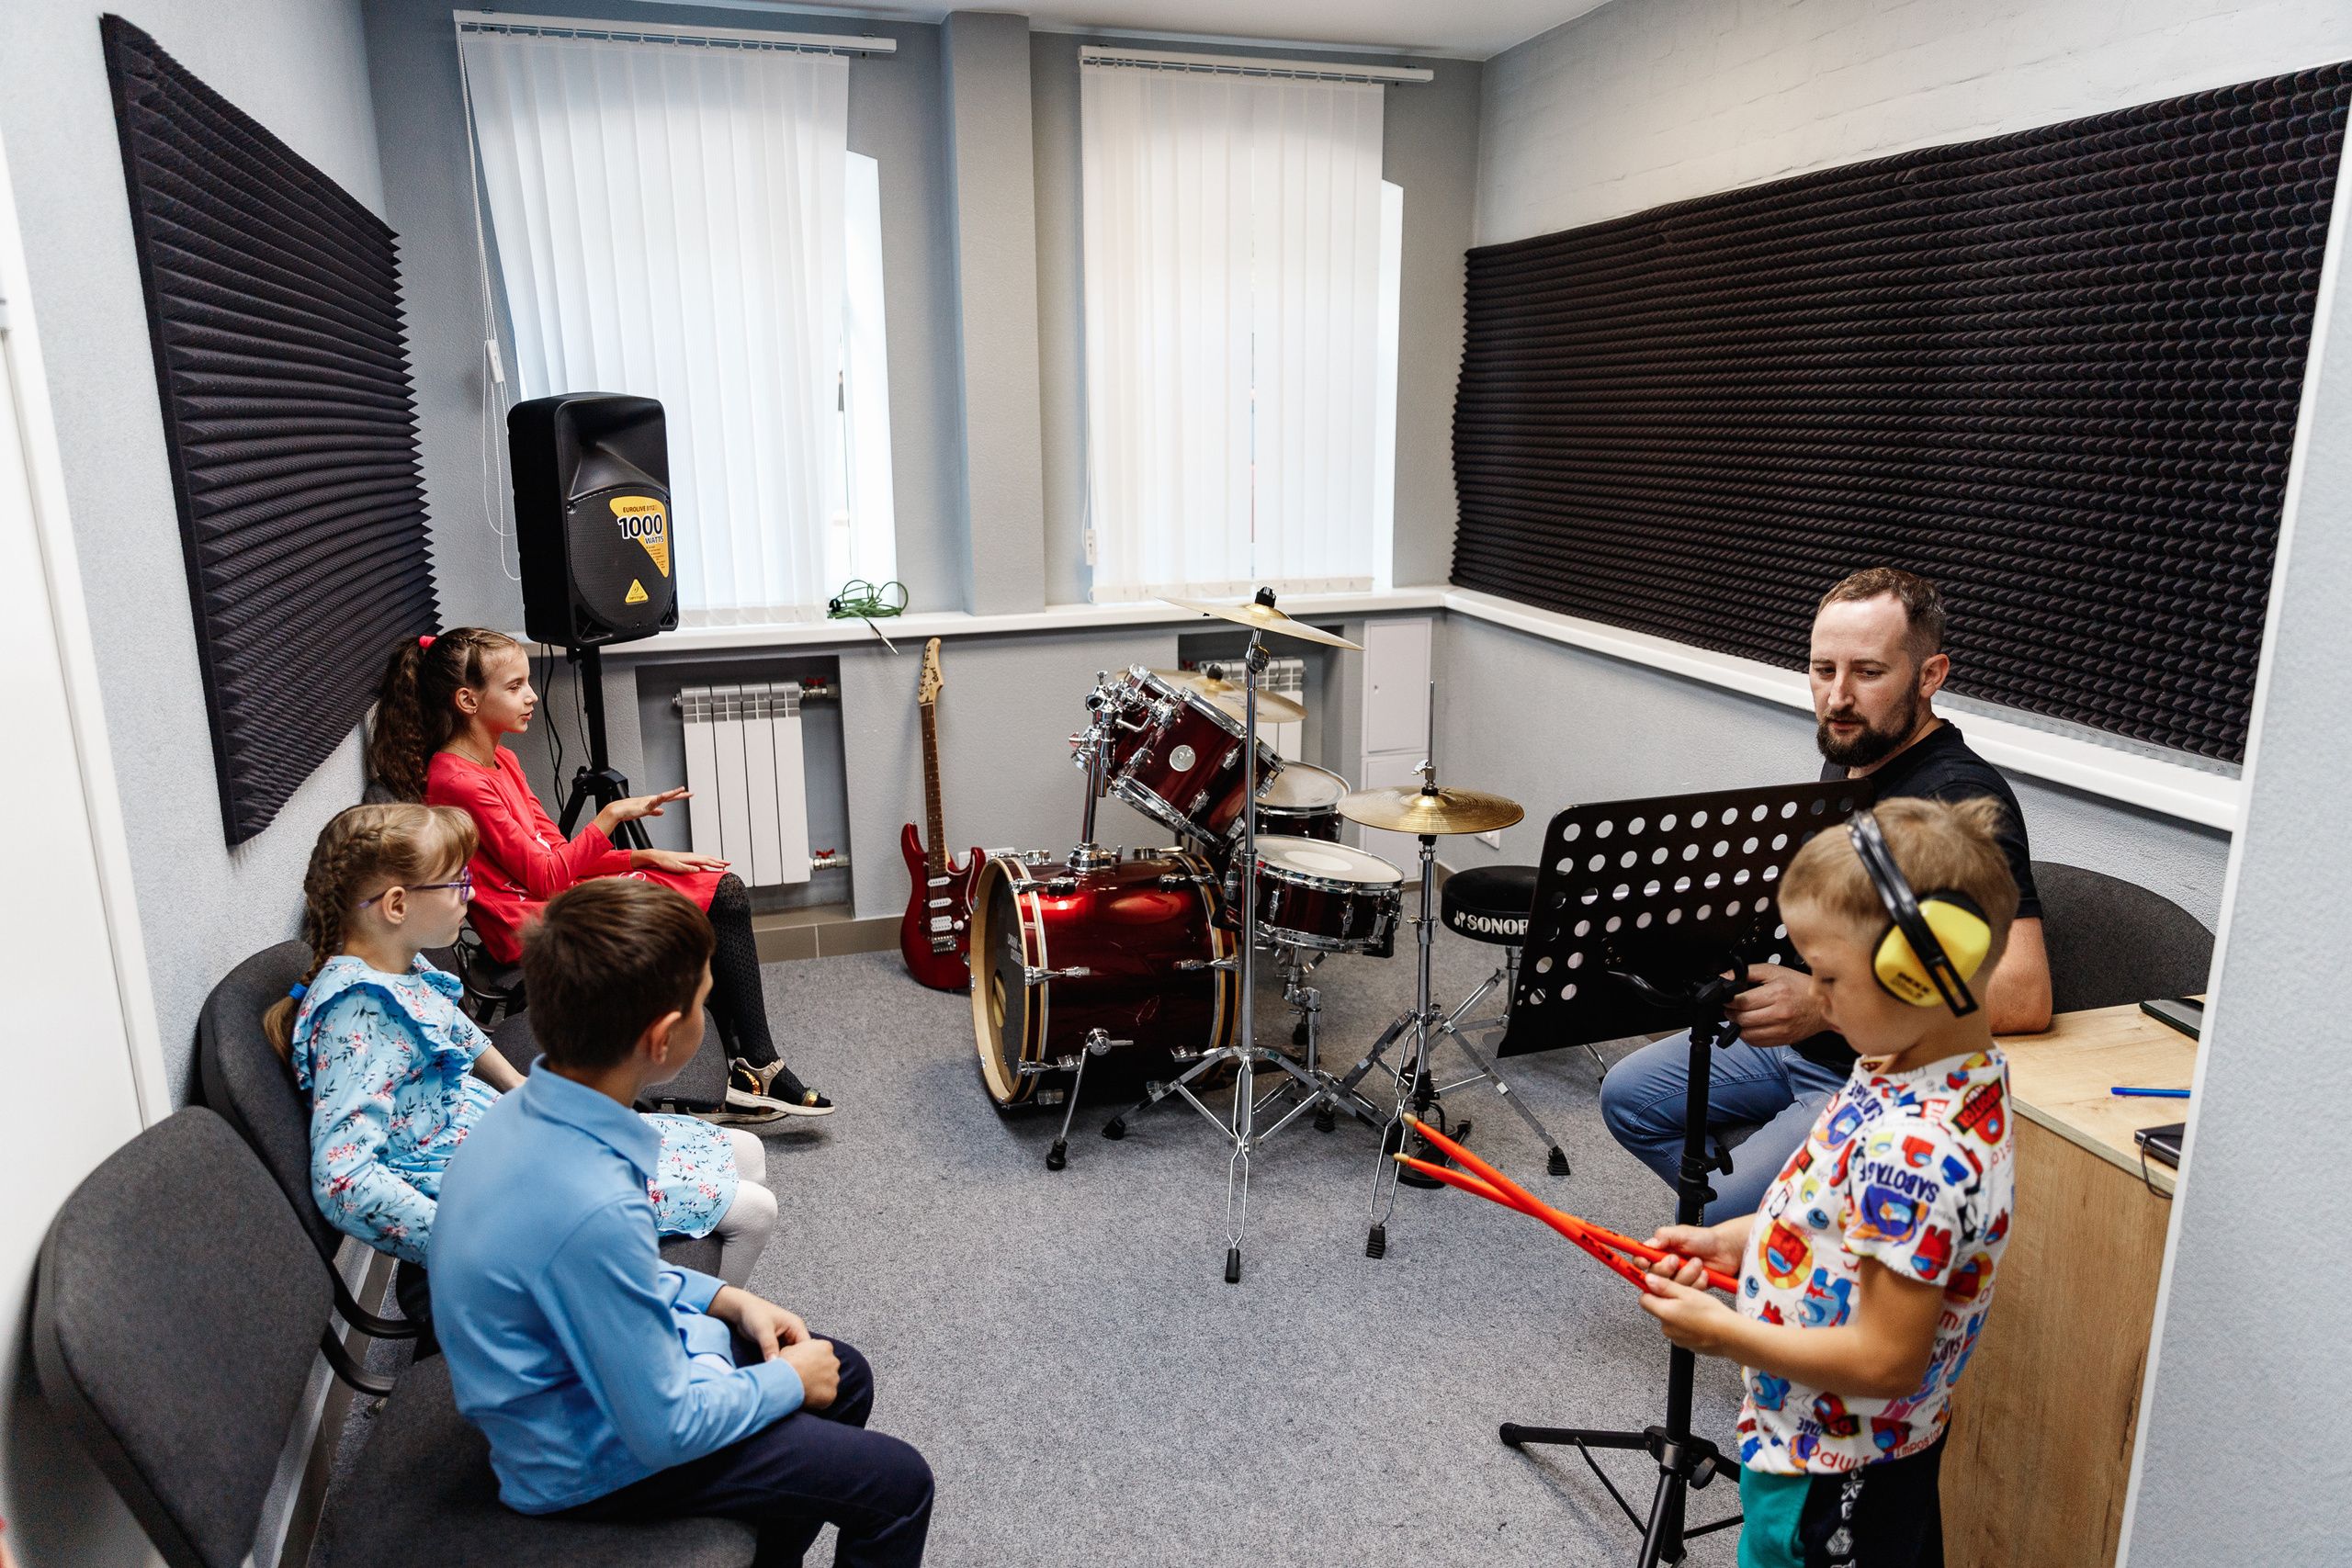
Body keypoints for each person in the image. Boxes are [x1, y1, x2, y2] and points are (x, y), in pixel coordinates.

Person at [433, 879, 933, 1562]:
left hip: (583, 1385)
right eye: (705, 1001)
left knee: (846, 1375)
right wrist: (785, 1382)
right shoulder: (590, 1202)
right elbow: (664, 1426)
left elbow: (604, 1281)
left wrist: (727, 1297)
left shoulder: (526, 1116)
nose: (708, 1015)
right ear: (664, 1039)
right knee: (898, 1483)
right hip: (585, 1458)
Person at [1635, 795, 2017, 1566]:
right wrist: (1732, 1238)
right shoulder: (1911, 1065)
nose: (1814, 995)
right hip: (1843, 1442)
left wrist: (1723, 1332)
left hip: (1835, 1468)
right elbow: (1827, 1206)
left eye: (1828, 976)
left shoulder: (1914, 1150)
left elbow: (1886, 1358)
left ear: (1921, 973)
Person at [1600, 568, 2051, 1221]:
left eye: (1868, 672)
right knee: (1626, 1098)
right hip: (1805, 1045)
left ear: (1930, 676)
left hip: (1872, 1067)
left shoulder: (1958, 801)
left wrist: (1820, 1003)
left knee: (1717, 1209)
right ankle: (1807, 1224)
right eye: (1821, 669)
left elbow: (2025, 990)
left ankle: (1787, 1222)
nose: (1837, 696)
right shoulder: (1852, 753)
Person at [262, 804, 777, 1341]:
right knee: (754, 1211)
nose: (471, 894)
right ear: (397, 905)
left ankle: (687, 1323)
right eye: (457, 882)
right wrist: (467, 1242)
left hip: (494, 1135)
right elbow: (344, 1183)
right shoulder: (356, 1014)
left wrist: (525, 1091)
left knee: (748, 1153)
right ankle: (692, 1346)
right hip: (485, 1200)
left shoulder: (396, 962)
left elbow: (460, 1036)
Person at [368, 627, 832, 1120]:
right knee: (711, 902)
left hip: (553, 893)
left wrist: (642, 858)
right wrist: (610, 819)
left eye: (528, 682)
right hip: (523, 922)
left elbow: (558, 851)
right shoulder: (457, 779)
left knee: (718, 891)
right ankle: (757, 1064)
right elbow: (546, 876)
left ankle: (749, 1063)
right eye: (514, 687)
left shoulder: (501, 757)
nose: (531, 697)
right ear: (467, 700)